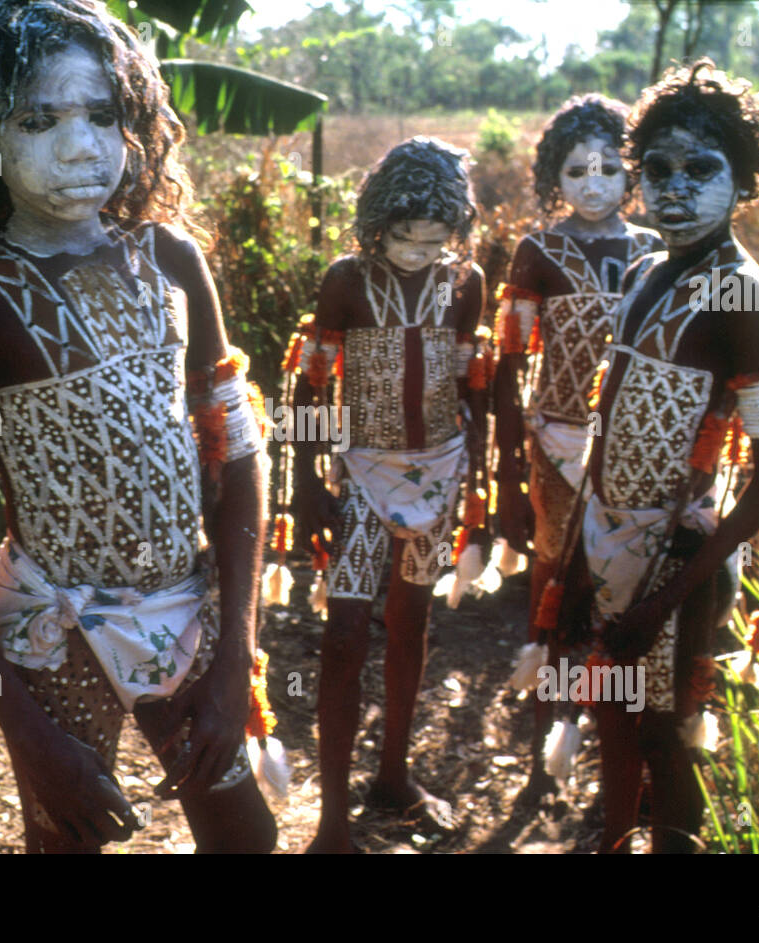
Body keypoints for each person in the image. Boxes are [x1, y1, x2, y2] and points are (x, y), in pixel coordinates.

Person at [0, 0, 276, 853]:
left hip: (187, 613)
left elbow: (238, 461)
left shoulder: (171, 260)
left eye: (102, 115)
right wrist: (27, 731)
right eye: (39, 120)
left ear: (135, 125)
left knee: (247, 838)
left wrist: (235, 658)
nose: (81, 146)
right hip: (54, 633)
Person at [583, 60, 759, 852]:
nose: (673, 187)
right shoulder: (644, 271)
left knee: (669, 735)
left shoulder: (745, 295)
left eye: (700, 169)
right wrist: (578, 557)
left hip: (677, 558)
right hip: (606, 540)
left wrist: (663, 599)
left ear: (743, 183)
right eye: (657, 169)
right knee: (611, 703)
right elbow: (606, 428)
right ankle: (611, 837)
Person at [292, 137, 487, 853]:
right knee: (344, 634)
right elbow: (310, 384)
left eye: (434, 239)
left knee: (411, 623)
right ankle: (333, 816)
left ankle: (394, 774)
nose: (416, 250)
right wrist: (303, 479)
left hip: (440, 471)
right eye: (404, 236)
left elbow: (476, 389)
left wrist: (484, 492)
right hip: (362, 474)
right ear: (378, 224)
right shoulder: (347, 281)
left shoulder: (465, 283)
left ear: (456, 234)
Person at [493, 94, 662, 797]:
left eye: (608, 169)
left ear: (633, 177)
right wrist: (505, 465)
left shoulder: (655, 253)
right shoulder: (538, 251)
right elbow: (507, 365)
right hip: (555, 439)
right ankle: (548, 741)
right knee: (558, 585)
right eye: (575, 170)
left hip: (630, 447)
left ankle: (618, 750)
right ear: (551, 179)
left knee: (622, 588)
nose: (592, 184)